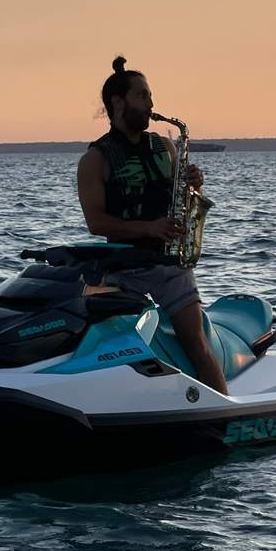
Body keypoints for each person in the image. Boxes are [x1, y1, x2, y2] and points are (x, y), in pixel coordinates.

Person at [76, 56, 229, 395]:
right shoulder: (94, 160)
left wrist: (195, 184)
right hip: (122, 266)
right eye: (143, 96)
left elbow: (184, 198)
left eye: (150, 96)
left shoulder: (165, 146)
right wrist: (149, 228)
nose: (151, 104)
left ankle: (224, 409)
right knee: (105, 345)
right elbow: (95, 223)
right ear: (119, 102)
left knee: (195, 341)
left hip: (169, 262)